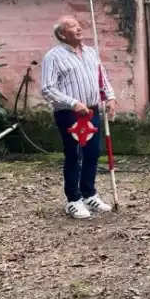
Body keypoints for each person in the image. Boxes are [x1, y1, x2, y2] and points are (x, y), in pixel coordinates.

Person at [41, 15, 118, 219]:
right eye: (72, 26)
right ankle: (73, 200)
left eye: (78, 25)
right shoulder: (54, 56)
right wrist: (73, 102)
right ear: (61, 34)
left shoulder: (91, 52)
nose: (78, 28)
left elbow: (101, 77)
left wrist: (110, 97)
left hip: (92, 111)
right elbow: (47, 88)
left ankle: (88, 193)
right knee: (75, 154)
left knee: (93, 153)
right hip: (69, 113)